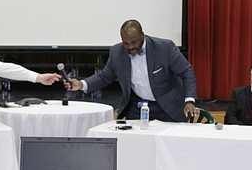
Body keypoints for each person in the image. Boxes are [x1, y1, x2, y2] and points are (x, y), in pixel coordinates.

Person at [64, 20, 198, 122]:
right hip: (137, 106)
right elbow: (105, 76)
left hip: (168, 106)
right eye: (126, 43)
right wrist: (81, 84)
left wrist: (189, 101)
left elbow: (186, 72)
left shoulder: (164, 48)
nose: (130, 47)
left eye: (134, 42)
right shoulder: (117, 52)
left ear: (142, 35)